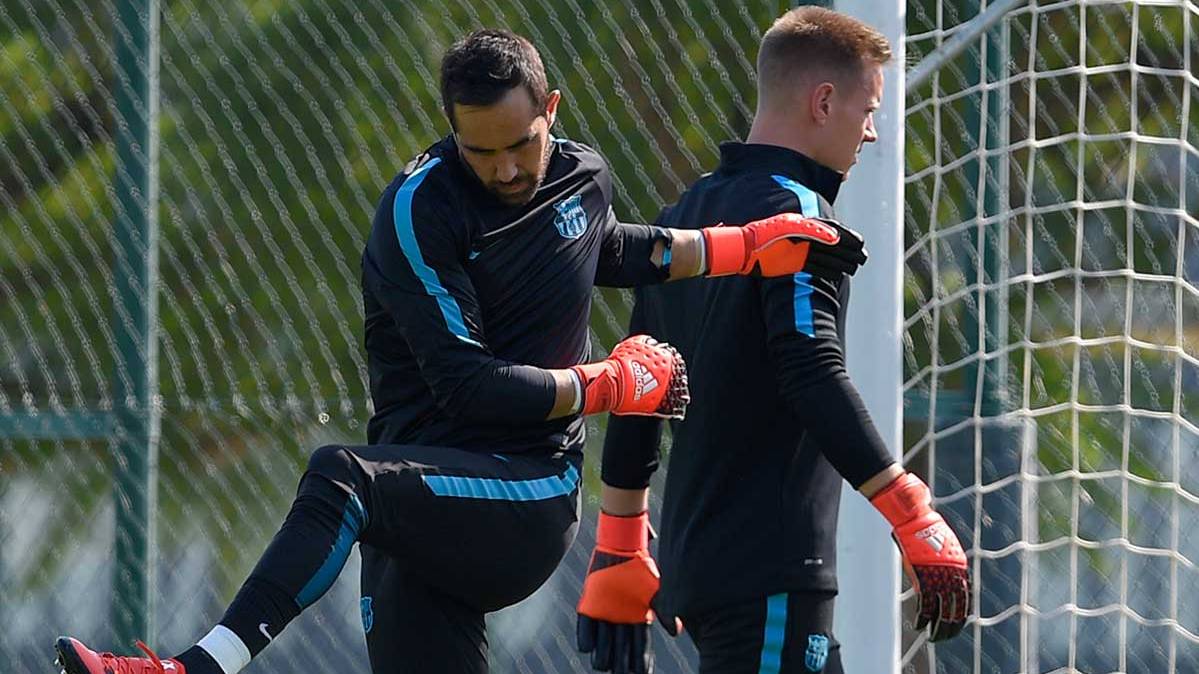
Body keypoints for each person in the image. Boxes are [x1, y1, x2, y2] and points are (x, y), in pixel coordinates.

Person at [54, 28, 866, 674]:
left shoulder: (582, 177)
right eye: (482, 153)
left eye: (522, 143)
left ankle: (193, 667)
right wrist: (608, 383)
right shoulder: (417, 213)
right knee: (365, 494)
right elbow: (470, 387)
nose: (506, 169)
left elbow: (614, 247)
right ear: (450, 130)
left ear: (551, 107)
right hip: (417, 511)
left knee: (342, 475)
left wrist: (750, 244)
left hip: (526, 492)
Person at [575, 8, 972, 674]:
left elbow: (644, 381)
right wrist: (909, 510)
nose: (871, 132)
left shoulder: (684, 215)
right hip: (771, 573)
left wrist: (620, 540)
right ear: (824, 102)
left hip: (709, 565)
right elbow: (809, 367)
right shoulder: (799, 216)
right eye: (868, 111)